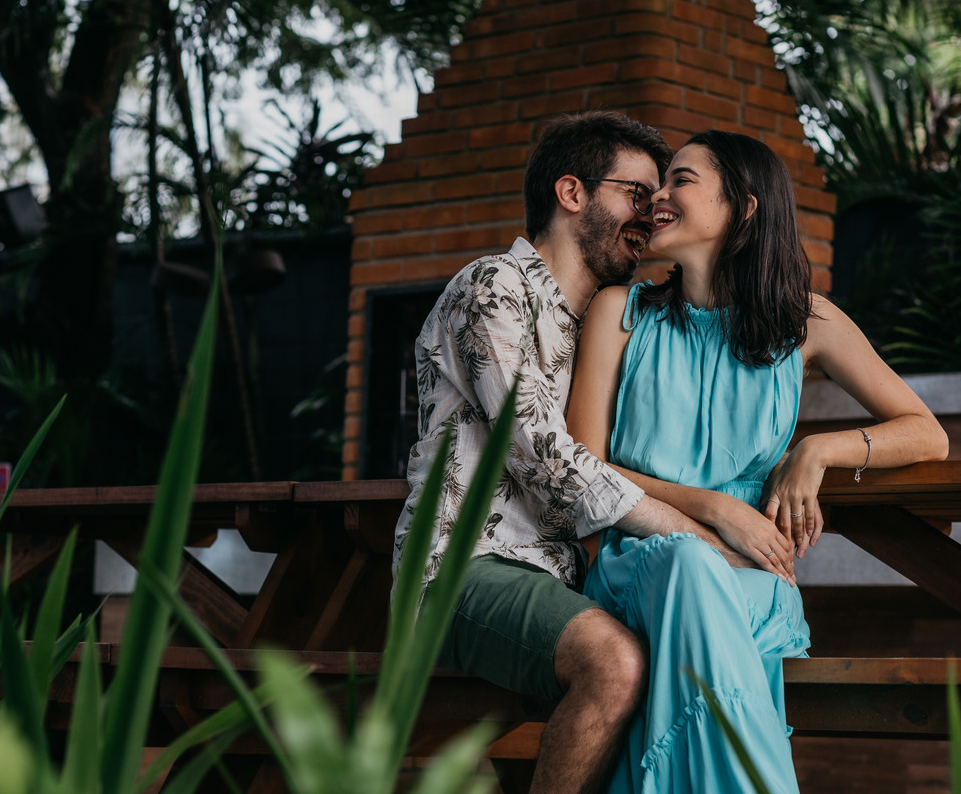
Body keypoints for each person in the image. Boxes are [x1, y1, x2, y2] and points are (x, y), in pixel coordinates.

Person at [391, 112, 791, 794]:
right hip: (461, 569)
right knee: (618, 663)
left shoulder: (607, 324)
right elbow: (549, 457)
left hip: (567, 581)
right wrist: (707, 533)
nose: (653, 209)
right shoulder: (494, 288)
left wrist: (801, 459)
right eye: (636, 194)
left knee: (685, 645)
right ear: (572, 194)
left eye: (661, 194)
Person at [568, 130, 949, 793]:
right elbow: (584, 464)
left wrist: (820, 449)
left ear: (744, 207)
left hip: (752, 576)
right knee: (688, 562)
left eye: (680, 180)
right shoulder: (619, 314)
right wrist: (711, 509)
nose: (656, 195)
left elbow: (926, 432)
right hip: (639, 566)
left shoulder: (808, 322)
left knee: (703, 584)